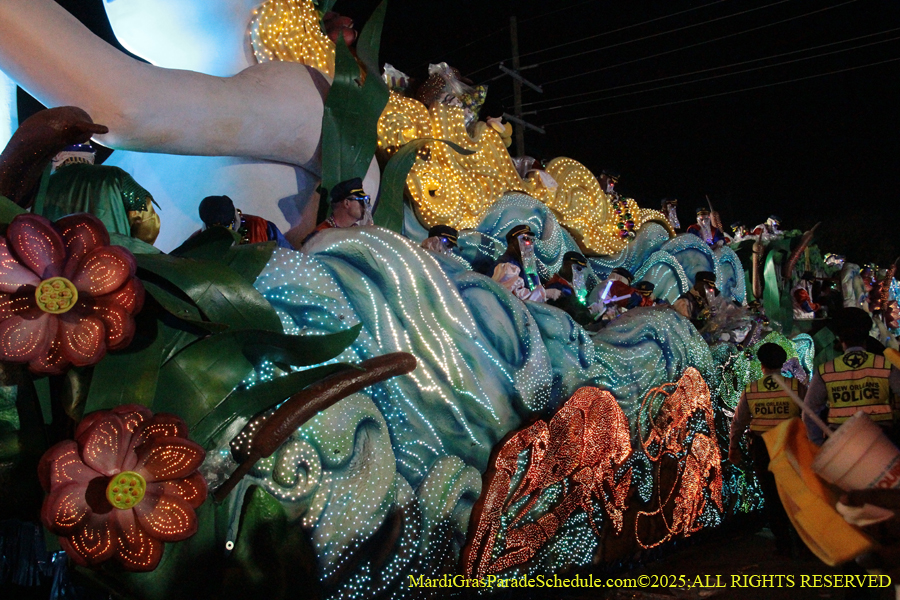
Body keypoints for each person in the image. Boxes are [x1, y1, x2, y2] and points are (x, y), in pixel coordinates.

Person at [729, 343, 803, 555]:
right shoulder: (796, 387)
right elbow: (808, 415)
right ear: (782, 363)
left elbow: (738, 422)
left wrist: (733, 448)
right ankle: (803, 541)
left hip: (763, 447)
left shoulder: (752, 389)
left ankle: (783, 544)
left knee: (771, 495)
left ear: (761, 365)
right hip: (790, 444)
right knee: (795, 492)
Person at [804, 307, 900, 446]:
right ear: (866, 335)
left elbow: (809, 412)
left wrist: (818, 444)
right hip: (881, 443)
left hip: (841, 445)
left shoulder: (825, 370)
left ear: (839, 337)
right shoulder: (885, 365)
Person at [39, 142, 161, 244]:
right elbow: (147, 221)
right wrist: (133, 248)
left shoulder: (41, 189)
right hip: (112, 263)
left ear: (56, 157)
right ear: (91, 157)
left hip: (59, 268)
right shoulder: (116, 176)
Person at [491, 224, 559, 303]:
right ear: (513, 242)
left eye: (531, 240)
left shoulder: (527, 265)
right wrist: (545, 293)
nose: (529, 243)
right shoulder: (506, 265)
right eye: (525, 239)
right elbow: (516, 298)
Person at [198, 194, 291, 248]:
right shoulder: (196, 244)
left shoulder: (260, 226)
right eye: (214, 229)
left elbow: (288, 256)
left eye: (227, 226)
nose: (223, 232)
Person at [303, 178, 372, 244]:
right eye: (361, 201)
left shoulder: (357, 232)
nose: (364, 206)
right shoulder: (321, 235)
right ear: (346, 203)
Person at [546, 251, 594, 324]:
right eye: (578, 269)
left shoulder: (573, 286)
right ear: (566, 265)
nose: (580, 274)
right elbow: (572, 312)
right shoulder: (557, 286)